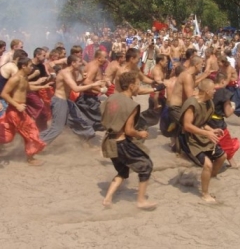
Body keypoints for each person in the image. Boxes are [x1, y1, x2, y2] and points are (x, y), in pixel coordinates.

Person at [100, 71, 157, 210]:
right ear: (131, 86)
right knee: (146, 166)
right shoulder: (131, 105)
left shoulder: (112, 97)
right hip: (121, 143)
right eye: (138, 84)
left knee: (123, 171)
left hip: (109, 141)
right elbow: (129, 130)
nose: (139, 87)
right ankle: (141, 200)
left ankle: (107, 199)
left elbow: (103, 112)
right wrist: (140, 134)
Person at [179, 79, 227, 203]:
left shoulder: (208, 103)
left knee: (222, 157)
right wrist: (207, 133)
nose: (215, 91)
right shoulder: (192, 104)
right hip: (189, 138)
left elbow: (202, 122)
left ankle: (210, 177)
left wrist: (212, 130)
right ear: (206, 91)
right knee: (207, 164)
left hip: (201, 134)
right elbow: (187, 126)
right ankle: (205, 194)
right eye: (213, 90)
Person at [40, 55, 103, 145]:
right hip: (59, 101)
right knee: (57, 129)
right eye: (79, 62)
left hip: (67, 101)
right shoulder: (65, 73)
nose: (81, 64)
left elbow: (74, 85)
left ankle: (87, 140)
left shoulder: (74, 72)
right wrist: (93, 85)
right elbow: (76, 89)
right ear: (73, 63)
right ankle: (36, 143)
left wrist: (82, 80)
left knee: (79, 120)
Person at [0, 57, 51, 165]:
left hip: (19, 111)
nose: (32, 68)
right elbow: (4, 94)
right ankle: (30, 158)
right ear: (23, 66)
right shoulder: (15, 78)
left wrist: (42, 86)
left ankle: (30, 157)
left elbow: (27, 88)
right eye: (30, 66)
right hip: (15, 111)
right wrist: (17, 105)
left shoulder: (24, 77)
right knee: (31, 132)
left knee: (7, 136)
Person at [207, 72, 240, 168]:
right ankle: (233, 163)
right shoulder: (223, 92)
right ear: (222, 81)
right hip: (218, 123)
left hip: (206, 121)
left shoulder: (209, 90)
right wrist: (233, 108)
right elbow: (227, 113)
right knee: (227, 144)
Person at [75, 50, 108, 131]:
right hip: (88, 99)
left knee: (95, 123)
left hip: (91, 98)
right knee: (99, 121)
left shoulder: (95, 65)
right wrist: (100, 89)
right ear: (99, 58)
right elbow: (86, 81)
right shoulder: (94, 67)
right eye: (105, 57)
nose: (106, 59)